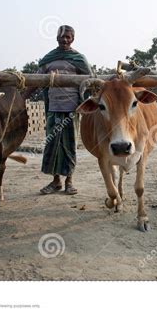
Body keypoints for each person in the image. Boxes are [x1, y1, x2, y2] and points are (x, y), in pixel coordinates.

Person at [38, 25, 93, 195]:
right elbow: (37, 80)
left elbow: (91, 80)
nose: (65, 40)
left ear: (73, 39)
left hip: (72, 109)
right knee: (53, 145)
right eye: (62, 37)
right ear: (56, 38)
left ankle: (69, 181)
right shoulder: (48, 59)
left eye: (68, 37)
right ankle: (56, 182)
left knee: (69, 145)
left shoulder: (79, 59)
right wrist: (20, 96)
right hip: (53, 108)